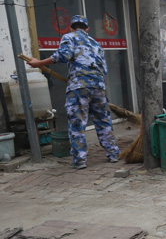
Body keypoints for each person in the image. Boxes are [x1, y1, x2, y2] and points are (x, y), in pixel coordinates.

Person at [28, 15, 119, 169]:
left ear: (71, 27)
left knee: (77, 122)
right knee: (103, 121)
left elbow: (63, 56)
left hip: (79, 87)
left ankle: (80, 160)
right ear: (87, 29)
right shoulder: (96, 44)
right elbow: (104, 69)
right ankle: (113, 154)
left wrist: (39, 63)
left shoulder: (69, 37)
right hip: (98, 86)